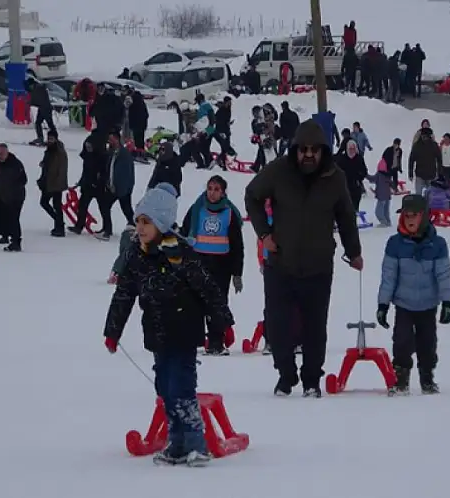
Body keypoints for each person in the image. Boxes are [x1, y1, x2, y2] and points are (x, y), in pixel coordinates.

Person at [103, 183, 234, 467]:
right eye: (138, 221)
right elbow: (124, 294)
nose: (140, 228)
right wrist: (113, 331)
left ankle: (197, 444)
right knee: (164, 388)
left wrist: (224, 322)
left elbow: (207, 288)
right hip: (157, 332)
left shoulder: (180, 252)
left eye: (146, 222)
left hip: (185, 331)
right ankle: (176, 444)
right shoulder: (136, 257)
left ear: (162, 222)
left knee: (182, 387)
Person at [244, 119, 363, 397]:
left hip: (318, 265)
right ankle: (286, 376)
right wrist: (264, 234)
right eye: (303, 149)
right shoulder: (278, 172)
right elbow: (252, 196)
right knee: (278, 325)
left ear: (322, 151)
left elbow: (346, 217)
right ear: (295, 149)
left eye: (314, 150)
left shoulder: (334, 177)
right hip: (280, 263)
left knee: (314, 327)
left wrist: (354, 251)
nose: (308, 155)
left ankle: (311, 380)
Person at [376, 194, 450, 395]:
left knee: (427, 342)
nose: (410, 219)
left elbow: (444, 274)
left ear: (425, 216)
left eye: (414, 215)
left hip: (428, 304)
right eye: (406, 215)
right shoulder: (395, 244)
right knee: (401, 341)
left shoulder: (437, 245)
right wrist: (383, 305)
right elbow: (388, 277)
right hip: (403, 304)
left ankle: (427, 377)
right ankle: (401, 378)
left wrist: (448, 302)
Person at [180, 175, 244, 355]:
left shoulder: (230, 213)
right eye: (210, 188)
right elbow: (185, 235)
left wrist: (237, 273)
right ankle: (195, 340)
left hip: (221, 266)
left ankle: (216, 341)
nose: (212, 193)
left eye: (216, 189)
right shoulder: (196, 209)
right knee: (194, 303)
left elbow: (237, 245)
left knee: (217, 303)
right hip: (198, 263)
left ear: (223, 192)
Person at [97, 130, 136, 240]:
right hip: (113, 187)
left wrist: (121, 188)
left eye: (111, 139)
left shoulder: (124, 154)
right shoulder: (112, 152)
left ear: (117, 139)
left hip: (121, 188)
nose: (109, 141)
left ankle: (108, 231)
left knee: (125, 209)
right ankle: (107, 229)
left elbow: (125, 173)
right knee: (106, 206)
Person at [69, 129, 108, 235]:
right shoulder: (88, 157)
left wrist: (98, 182)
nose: (88, 148)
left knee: (103, 208)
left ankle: (107, 228)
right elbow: (85, 172)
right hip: (88, 185)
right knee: (82, 206)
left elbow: (103, 172)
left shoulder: (101, 157)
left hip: (98, 186)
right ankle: (79, 226)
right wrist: (81, 182)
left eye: (89, 146)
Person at [0, 143, 28, 252]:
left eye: (2, 153)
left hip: (16, 196)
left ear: (7, 152)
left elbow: (24, 179)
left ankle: (16, 242)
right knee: (9, 218)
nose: (0, 156)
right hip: (5, 196)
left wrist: (14, 187)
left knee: (13, 219)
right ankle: (9, 238)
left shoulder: (15, 164)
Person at [37, 130, 69, 237]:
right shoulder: (50, 149)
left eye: (52, 138)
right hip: (49, 181)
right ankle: (59, 224)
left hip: (55, 183)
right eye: (49, 138)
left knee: (52, 204)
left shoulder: (59, 151)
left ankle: (59, 225)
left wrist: (58, 183)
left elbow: (62, 169)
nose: (50, 140)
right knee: (52, 204)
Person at [336, 140, 369, 212]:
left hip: (356, 186)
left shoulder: (359, 158)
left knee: (354, 207)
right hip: (344, 186)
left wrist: (359, 177)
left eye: (353, 149)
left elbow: (364, 171)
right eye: (350, 149)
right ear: (347, 149)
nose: (352, 151)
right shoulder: (342, 158)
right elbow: (337, 171)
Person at [408, 128, 442, 196]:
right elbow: (411, 160)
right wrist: (410, 173)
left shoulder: (434, 145)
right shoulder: (417, 146)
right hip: (419, 174)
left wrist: (439, 172)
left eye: (425, 136)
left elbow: (439, 159)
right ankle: (419, 205)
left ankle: (429, 206)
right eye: (423, 136)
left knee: (431, 195)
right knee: (418, 195)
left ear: (429, 136)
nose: (424, 138)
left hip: (431, 174)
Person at [25, 78, 56, 146]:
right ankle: (40, 138)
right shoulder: (37, 88)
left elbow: (37, 99)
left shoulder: (38, 89)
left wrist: (30, 103)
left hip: (46, 108)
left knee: (50, 124)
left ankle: (54, 139)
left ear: (32, 84)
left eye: (30, 86)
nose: (29, 87)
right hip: (42, 108)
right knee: (38, 123)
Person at [369, 154, 394, 227]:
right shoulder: (388, 175)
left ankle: (383, 222)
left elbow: (372, 179)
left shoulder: (379, 174)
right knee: (386, 210)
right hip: (387, 196)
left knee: (378, 211)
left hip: (381, 196)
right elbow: (392, 183)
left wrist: (365, 175)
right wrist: (394, 187)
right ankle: (388, 222)